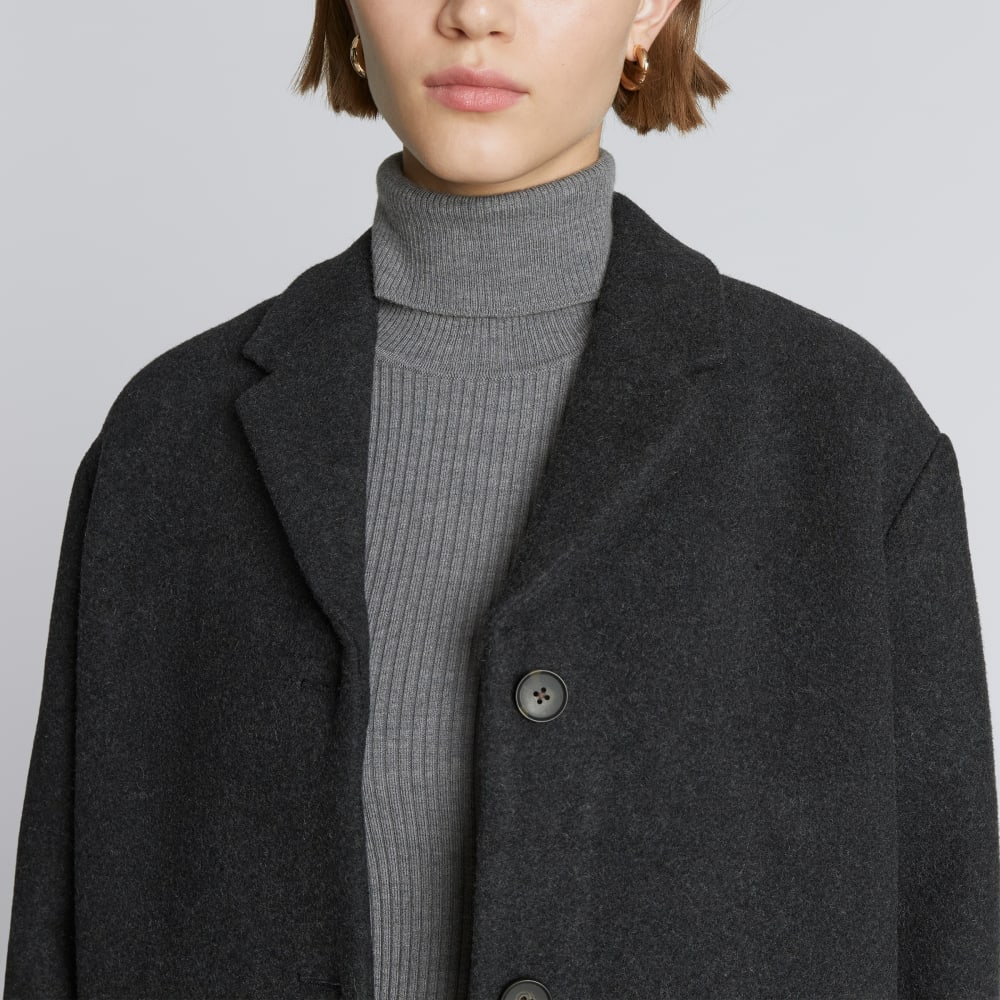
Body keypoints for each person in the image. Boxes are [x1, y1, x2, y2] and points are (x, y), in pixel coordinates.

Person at [4, 0, 998, 998]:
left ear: (649, 13)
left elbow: (950, 937)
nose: (472, 14)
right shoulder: (171, 442)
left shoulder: (844, 439)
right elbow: (63, 938)